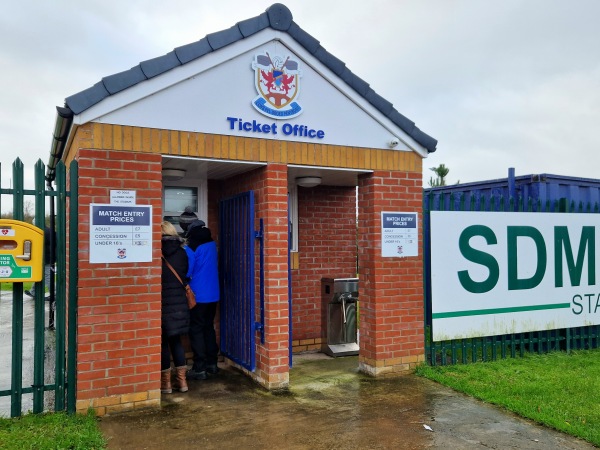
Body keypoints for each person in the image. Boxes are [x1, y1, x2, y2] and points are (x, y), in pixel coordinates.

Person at [186, 221, 220, 380]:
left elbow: (187, 270)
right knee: (208, 327)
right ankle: (212, 364)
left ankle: (199, 368)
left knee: (196, 330)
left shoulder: (192, 246)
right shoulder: (212, 243)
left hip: (197, 295)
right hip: (213, 293)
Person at [160, 221, 191, 393]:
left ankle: (166, 384)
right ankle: (182, 382)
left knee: (163, 343)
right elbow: (185, 273)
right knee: (176, 342)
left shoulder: (156, 252)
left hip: (162, 302)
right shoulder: (182, 252)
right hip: (179, 302)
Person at [25, 224, 56, 300]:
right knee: (39, 275)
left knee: (47, 276)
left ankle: (55, 293)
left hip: (44, 257)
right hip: (50, 256)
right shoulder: (51, 230)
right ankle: (33, 292)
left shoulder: (40, 231)